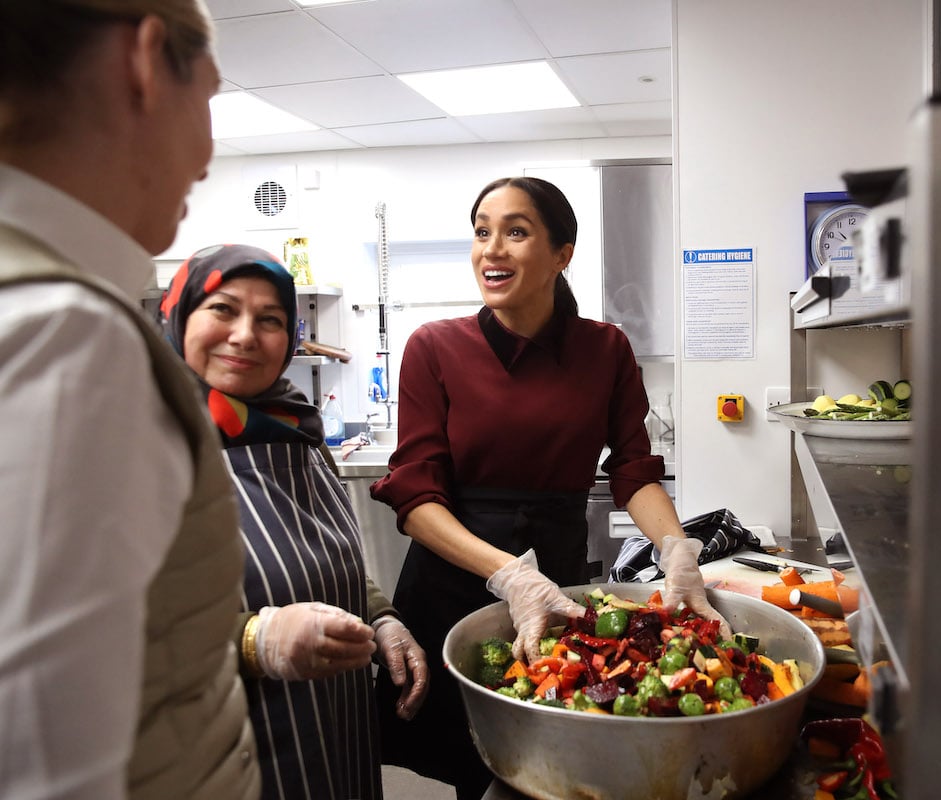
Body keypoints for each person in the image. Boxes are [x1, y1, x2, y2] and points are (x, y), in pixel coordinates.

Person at [369, 175, 730, 799]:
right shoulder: (433, 347)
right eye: (482, 232)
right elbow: (417, 499)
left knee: (555, 762)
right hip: (457, 578)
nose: (492, 250)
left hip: (557, 578)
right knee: (472, 764)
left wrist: (677, 549)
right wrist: (509, 576)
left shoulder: (606, 349)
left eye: (515, 231)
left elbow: (633, 470)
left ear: (562, 254)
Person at [0, 2, 261, 798]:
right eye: (209, 97)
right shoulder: (67, 337)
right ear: (146, 62)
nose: (210, 157)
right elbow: (49, 771)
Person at [160, 243, 430, 800]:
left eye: (270, 319)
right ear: (180, 315)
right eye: (223, 310)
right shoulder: (145, 447)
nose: (245, 335)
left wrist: (380, 617)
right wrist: (255, 641)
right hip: (229, 744)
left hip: (337, 724)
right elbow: (118, 638)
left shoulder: (298, 430)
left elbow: (326, 551)